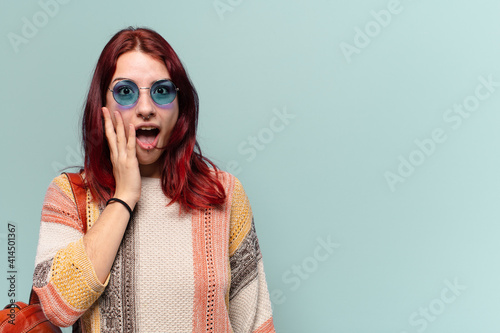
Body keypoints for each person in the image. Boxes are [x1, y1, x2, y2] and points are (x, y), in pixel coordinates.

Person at [32, 27, 275, 333]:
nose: (146, 109)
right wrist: (124, 196)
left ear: (180, 105)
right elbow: (57, 309)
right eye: (125, 92)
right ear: (102, 106)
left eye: (161, 91)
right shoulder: (69, 194)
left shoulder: (223, 192)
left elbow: (255, 323)